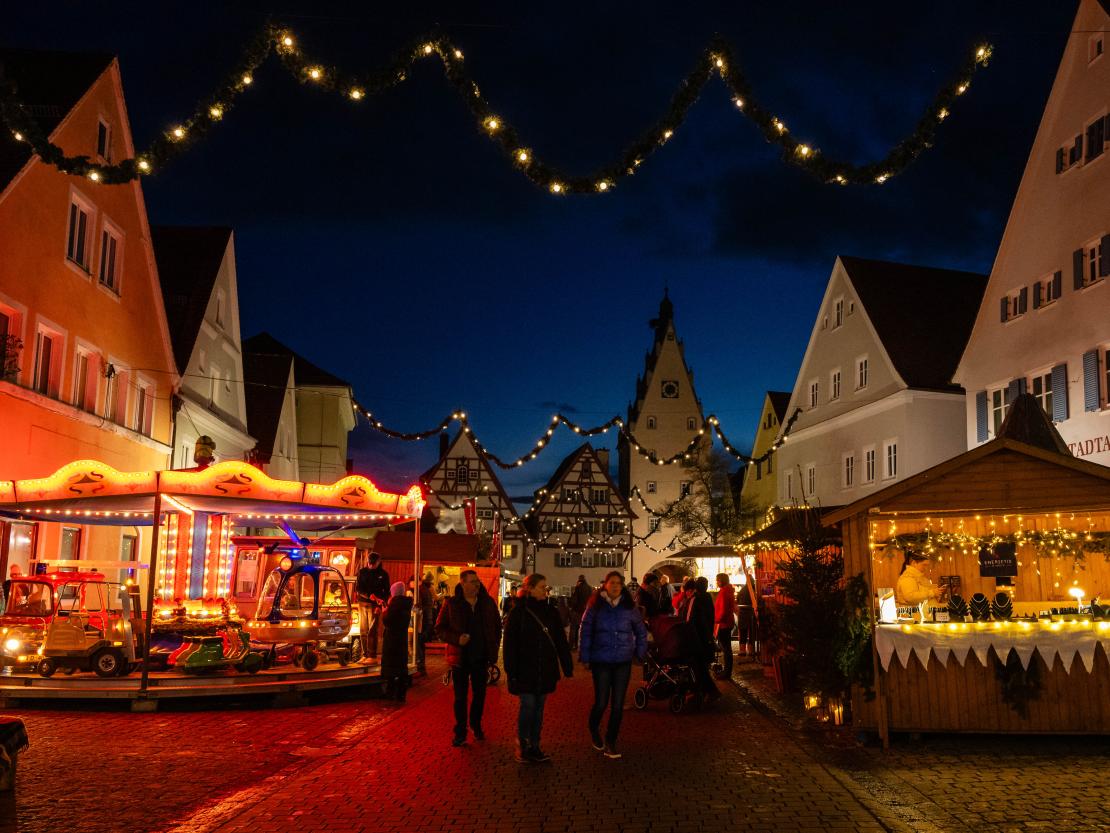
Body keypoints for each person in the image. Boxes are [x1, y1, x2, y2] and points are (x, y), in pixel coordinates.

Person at [503, 573, 574, 763]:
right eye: (542, 587)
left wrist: (567, 664)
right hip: (524, 668)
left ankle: (535, 745)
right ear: (530, 589)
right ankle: (524, 743)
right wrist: (511, 671)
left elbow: (559, 639)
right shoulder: (518, 613)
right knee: (528, 705)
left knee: (539, 708)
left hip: (545, 668)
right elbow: (510, 644)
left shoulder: (550, 612)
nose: (546, 590)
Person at [579, 571, 648, 759]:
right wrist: (585, 656)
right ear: (605, 585)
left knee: (617, 705)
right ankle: (594, 729)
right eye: (612, 583)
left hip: (622, 661)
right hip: (601, 660)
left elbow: (641, 631)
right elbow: (585, 630)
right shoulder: (595, 606)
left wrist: (639, 653)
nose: (616, 586)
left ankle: (611, 741)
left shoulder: (629, 607)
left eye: (619, 583)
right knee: (601, 702)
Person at [435, 569, 502, 747]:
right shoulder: (452, 603)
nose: (476, 584)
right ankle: (460, 731)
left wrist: (493, 646)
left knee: (480, 695)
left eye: (477, 581)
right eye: (472, 581)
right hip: (460, 657)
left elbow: (497, 626)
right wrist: (457, 639)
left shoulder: (487, 602)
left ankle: (476, 724)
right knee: (460, 697)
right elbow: (440, 628)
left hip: (481, 656)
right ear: (462, 583)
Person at [687, 576, 721, 702]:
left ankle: (706, 691)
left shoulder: (696, 600)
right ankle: (703, 691)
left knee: (698, 665)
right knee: (701, 666)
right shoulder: (708, 599)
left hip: (698, 638)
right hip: (706, 638)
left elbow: (690, 620)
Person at [381, 581, 414, 701]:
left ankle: (390, 693)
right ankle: (401, 693)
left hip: (392, 639)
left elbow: (388, 621)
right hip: (402, 638)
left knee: (391, 666)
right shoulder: (406, 604)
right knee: (401, 666)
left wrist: (384, 611)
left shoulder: (395, 604)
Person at [355, 552, 390, 663]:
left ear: (378, 562)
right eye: (369, 563)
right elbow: (359, 588)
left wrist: (381, 603)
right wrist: (369, 595)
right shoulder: (362, 572)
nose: (371, 565)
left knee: (372, 630)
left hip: (375, 605)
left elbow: (386, 591)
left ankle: (372, 655)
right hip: (362, 603)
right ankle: (365, 654)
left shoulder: (383, 574)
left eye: (373, 563)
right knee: (363, 629)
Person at [713, 573, 738, 680]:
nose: (716, 582)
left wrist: (716, 620)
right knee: (727, 648)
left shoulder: (723, 592)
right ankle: (727, 671)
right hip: (727, 622)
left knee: (726, 649)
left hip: (723, 624)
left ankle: (726, 672)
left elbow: (722, 610)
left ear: (722, 580)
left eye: (717, 580)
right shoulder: (728, 590)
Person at [415, 574, 436, 674]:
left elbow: (419, 606)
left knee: (418, 643)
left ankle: (420, 667)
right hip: (428, 619)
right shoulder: (426, 589)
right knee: (421, 643)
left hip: (422, 620)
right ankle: (421, 666)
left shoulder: (420, 590)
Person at [568, 575, 591, 649]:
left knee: (573, 628)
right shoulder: (589, 588)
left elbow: (574, 600)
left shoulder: (578, 588)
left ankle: (572, 645)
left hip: (577, 611)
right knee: (584, 629)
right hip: (585, 611)